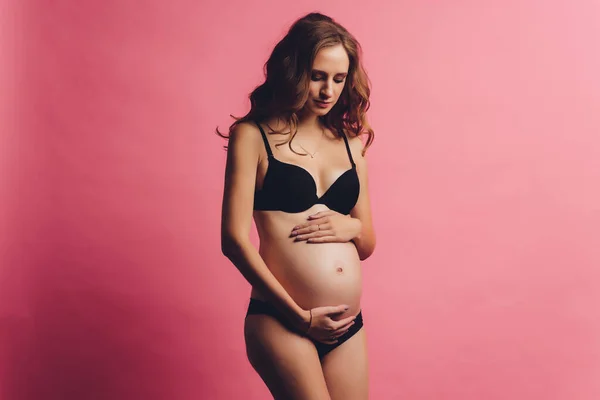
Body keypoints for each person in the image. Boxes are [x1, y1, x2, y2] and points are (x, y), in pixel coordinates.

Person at [218, 11, 376, 400]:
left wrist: (352, 228)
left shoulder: (351, 145)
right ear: (294, 70)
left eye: (339, 79)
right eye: (318, 75)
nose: (328, 90)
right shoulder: (252, 136)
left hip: (346, 326)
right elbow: (233, 241)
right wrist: (300, 317)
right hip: (281, 319)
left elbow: (368, 243)